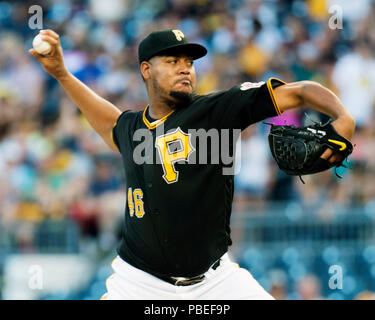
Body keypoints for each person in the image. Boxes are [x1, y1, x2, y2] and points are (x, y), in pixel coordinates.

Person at [29, 29, 355, 300]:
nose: (185, 68)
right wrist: (61, 73)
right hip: (138, 284)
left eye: (189, 62)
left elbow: (299, 92)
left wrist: (344, 117)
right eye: (172, 61)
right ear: (146, 69)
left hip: (215, 282)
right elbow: (107, 119)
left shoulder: (218, 110)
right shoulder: (131, 128)